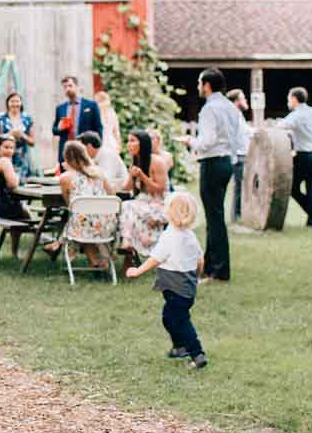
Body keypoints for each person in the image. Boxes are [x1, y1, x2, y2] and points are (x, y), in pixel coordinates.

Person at [127, 190, 208, 369]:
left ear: (170, 213)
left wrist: (137, 271)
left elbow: (155, 258)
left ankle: (197, 353)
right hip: (187, 286)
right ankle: (179, 347)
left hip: (174, 288)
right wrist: (197, 276)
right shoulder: (190, 236)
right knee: (169, 317)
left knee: (180, 320)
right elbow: (200, 260)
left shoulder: (170, 237)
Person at [190, 68, 246, 280]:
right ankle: (210, 265)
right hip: (227, 162)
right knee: (216, 216)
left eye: (199, 83)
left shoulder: (209, 109)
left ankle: (220, 270)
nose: (198, 87)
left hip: (212, 162)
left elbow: (207, 141)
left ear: (206, 85)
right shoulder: (230, 107)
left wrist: (190, 142)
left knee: (214, 219)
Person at [54, 139, 114, 272]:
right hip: (107, 224)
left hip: (82, 226)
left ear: (66, 158)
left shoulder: (65, 178)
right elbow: (112, 194)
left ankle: (57, 245)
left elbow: (70, 204)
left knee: (80, 221)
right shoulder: (99, 172)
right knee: (85, 221)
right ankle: (100, 262)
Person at [117, 128, 173, 262]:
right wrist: (131, 175)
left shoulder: (157, 162)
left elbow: (160, 190)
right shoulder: (135, 160)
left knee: (127, 207)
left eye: (132, 141)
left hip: (160, 204)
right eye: (128, 141)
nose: (128, 144)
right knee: (124, 208)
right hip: (142, 203)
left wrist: (142, 176)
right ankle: (129, 250)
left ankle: (128, 244)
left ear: (142, 143)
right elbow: (127, 187)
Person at [280, 86, 312, 226]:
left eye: (289, 98)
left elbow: (281, 126)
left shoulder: (297, 114)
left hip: (304, 156)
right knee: (311, 186)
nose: (288, 101)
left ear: (294, 99)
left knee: (292, 188)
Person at [0, 133, 31, 258]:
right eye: (6, 147)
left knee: (24, 213)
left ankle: (13, 251)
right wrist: (16, 178)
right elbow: (13, 184)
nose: (9, 151)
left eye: (12, 148)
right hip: (1, 205)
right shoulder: (4, 161)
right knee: (25, 215)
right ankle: (40, 241)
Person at [51, 75, 103, 157]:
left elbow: (98, 127)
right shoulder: (60, 108)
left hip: (85, 150)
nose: (67, 89)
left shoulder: (91, 105)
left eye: (70, 86)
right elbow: (54, 130)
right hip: (66, 150)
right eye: (65, 87)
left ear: (77, 86)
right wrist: (59, 128)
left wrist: (97, 147)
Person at [225, 87, 253, 221]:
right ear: (236, 101)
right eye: (243, 98)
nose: (246, 100)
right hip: (238, 156)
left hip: (243, 155)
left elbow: (247, 132)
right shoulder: (232, 115)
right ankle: (236, 216)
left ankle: (240, 214)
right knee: (239, 187)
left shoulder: (237, 115)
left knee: (242, 186)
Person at [0, 92, 37, 177]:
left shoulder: (27, 119)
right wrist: (9, 134)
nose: (15, 104)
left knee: (21, 183)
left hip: (22, 158)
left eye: (17, 101)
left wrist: (22, 135)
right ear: (8, 103)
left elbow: (33, 142)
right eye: (12, 101)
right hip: (5, 156)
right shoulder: (1, 119)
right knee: (6, 181)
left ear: (21, 103)